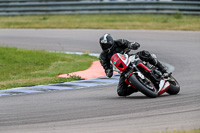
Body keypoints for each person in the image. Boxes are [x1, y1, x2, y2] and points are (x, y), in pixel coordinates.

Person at [99, 33, 168, 96]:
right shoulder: (103, 56)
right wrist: (108, 71)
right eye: (103, 46)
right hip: (123, 70)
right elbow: (106, 67)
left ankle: (162, 69)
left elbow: (129, 44)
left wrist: (133, 45)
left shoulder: (119, 42)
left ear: (111, 42)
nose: (105, 47)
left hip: (131, 59)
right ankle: (138, 86)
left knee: (145, 53)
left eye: (107, 45)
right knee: (121, 92)